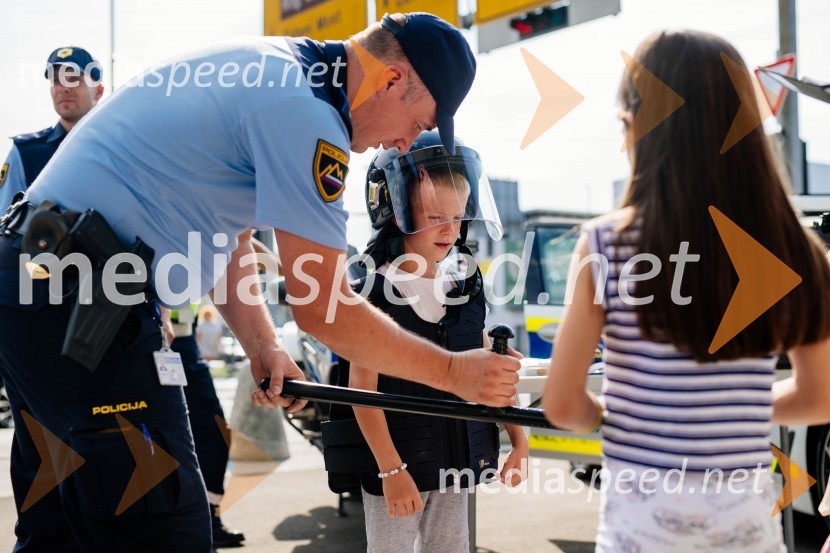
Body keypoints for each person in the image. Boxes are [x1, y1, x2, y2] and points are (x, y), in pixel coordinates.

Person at [0, 12, 519, 551]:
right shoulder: (308, 115)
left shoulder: (277, 69)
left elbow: (225, 234)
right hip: (84, 297)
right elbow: (325, 309)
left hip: (41, 287)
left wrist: (263, 344)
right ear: (390, 80)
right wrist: (455, 373)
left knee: (58, 531)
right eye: (417, 123)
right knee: (163, 531)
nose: (405, 144)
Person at [541, 30, 830, 552]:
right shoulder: (795, 249)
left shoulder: (606, 244)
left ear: (636, 125)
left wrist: (622, 415)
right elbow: (821, 395)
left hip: (639, 534)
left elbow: (562, 404)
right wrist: (737, 409)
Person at [330, 131, 528, 552]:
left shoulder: (464, 289)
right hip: (398, 468)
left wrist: (520, 439)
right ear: (394, 209)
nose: (449, 230)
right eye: (435, 216)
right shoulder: (372, 293)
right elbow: (361, 393)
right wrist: (390, 471)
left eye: (457, 217)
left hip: (454, 466)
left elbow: (491, 372)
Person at [0, 46, 104, 208]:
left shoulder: (115, 149)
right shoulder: (25, 153)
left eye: (74, 79)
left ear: (98, 91)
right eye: (56, 80)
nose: (63, 88)